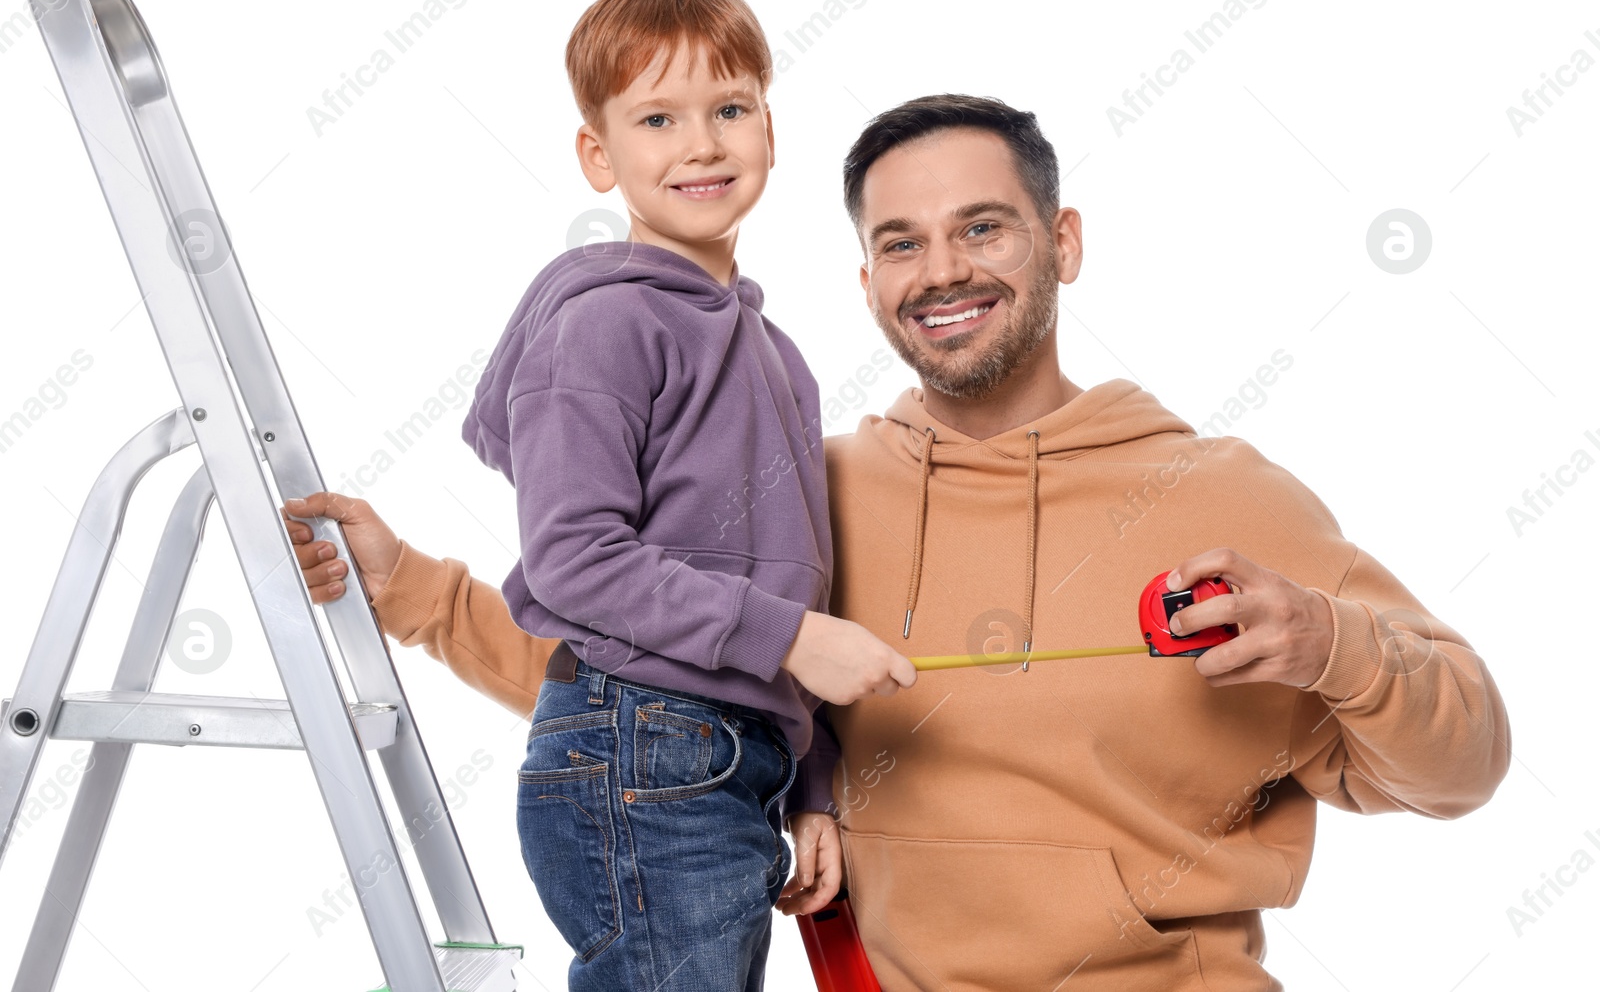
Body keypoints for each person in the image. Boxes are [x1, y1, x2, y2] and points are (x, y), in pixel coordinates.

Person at [285, 94, 1510, 990]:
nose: (943, 272)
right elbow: (647, 678)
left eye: (983, 229)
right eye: (901, 242)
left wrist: (1336, 641)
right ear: (867, 278)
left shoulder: (1223, 495)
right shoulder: (807, 490)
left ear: (1063, 242)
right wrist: (415, 592)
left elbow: (1464, 760)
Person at [301, 0, 916, 992]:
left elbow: (793, 582)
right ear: (598, 154)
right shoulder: (604, 323)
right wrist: (799, 642)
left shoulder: (779, 357)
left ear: (771, 127)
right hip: (641, 750)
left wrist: (812, 786)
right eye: (657, 119)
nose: (703, 143)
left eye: (729, 108)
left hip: (731, 761)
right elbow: (579, 561)